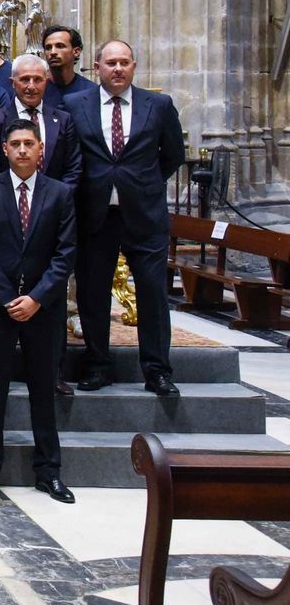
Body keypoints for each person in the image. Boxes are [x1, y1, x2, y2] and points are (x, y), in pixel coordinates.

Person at [63, 40, 186, 395]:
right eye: (110, 63)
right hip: (93, 214)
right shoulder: (75, 104)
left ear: (134, 66)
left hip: (144, 215)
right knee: (92, 293)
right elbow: (73, 156)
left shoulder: (158, 105)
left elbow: (173, 155)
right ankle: (98, 364)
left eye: (124, 62)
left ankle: (158, 370)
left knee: (152, 294)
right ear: (96, 67)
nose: (117, 69)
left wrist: (141, 184)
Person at [0, 120, 78, 503]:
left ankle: (49, 472)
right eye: (16, 144)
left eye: (30, 143)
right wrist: (7, 299)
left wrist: (37, 298)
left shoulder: (60, 193)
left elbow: (65, 253)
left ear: (41, 148)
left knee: (43, 391)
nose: (23, 150)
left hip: (42, 308)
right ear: (5, 149)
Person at [0, 53, 83, 190]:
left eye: (38, 80)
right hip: (7, 206)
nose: (31, 87)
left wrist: (57, 200)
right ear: (12, 82)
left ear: (46, 82)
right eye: (25, 79)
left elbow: (73, 168)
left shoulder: (64, 120)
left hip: (55, 206)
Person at [41, 25, 96, 108]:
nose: (53, 52)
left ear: (76, 51)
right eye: (48, 48)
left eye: (60, 46)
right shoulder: (37, 89)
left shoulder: (91, 91)